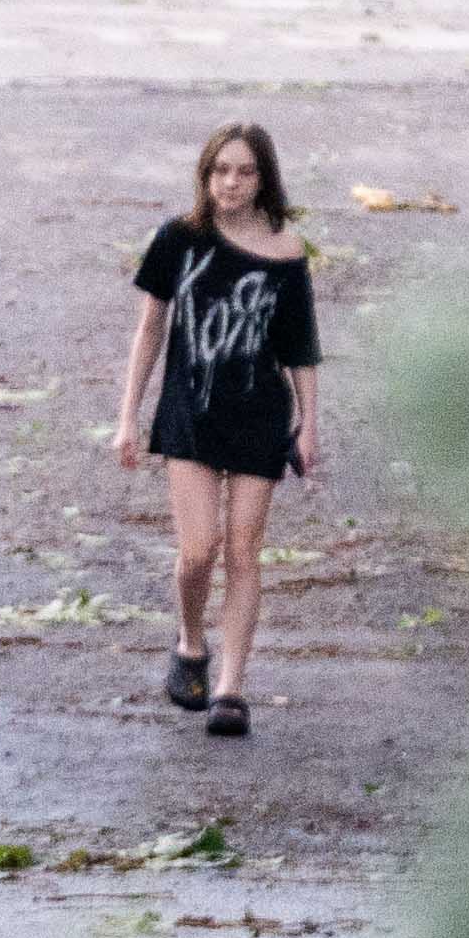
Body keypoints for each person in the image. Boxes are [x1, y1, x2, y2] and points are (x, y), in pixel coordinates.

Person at [107, 122, 318, 742]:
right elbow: (150, 330)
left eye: (244, 171)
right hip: (190, 413)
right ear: (206, 176)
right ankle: (191, 642)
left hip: (258, 416)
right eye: (220, 170)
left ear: (264, 179)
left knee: (244, 552)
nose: (231, 182)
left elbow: (300, 348)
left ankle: (230, 688)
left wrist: (310, 424)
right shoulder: (180, 238)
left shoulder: (286, 251)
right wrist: (127, 416)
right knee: (198, 551)